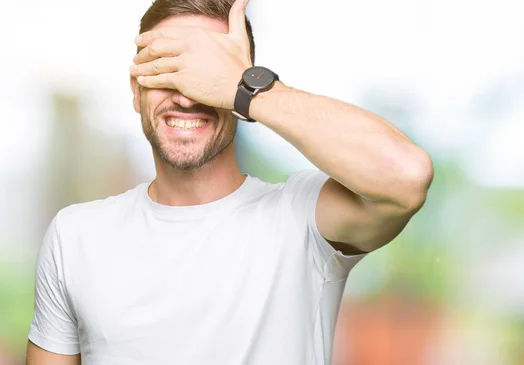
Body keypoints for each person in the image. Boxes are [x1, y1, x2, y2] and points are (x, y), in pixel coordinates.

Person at [25, 0, 433, 364]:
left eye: (207, 76)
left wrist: (248, 88)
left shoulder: (302, 220)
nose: (187, 96)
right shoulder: (76, 234)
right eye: (169, 70)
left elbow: (406, 174)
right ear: (137, 90)